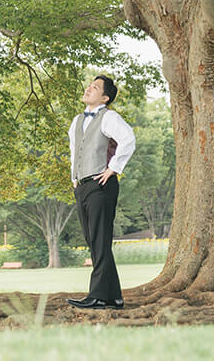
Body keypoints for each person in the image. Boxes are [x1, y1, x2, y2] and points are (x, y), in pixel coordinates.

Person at [66, 75, 135, 310]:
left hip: (101, 184)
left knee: (99, 240)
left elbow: (128, 140)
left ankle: (96, 295)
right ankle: (113, 296)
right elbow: (75, 152)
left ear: (105, 97)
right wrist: (74, 179)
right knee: (94, 241)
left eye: (95, 88)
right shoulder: (76, 121)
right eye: (89, 85)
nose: (88, 89)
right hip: (83, 185)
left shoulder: (109, 117)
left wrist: (113, 169)